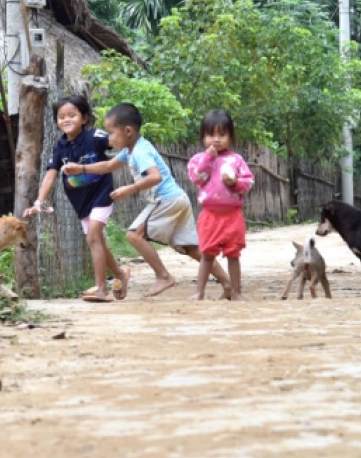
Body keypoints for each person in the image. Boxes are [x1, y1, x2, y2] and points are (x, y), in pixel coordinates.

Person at [64, 103, 232, 298]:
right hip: (178, 199)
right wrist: (82, 169)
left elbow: (155, 177)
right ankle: (227, 284)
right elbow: (109, 165)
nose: (109, 138)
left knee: (134, 235)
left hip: (166, 199)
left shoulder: (140, 151)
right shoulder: (130, 151)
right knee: (191, 248)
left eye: (111, 133)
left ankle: (163, 276)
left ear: (127, 131)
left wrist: (131, 188)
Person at [25, 95, 131, 303]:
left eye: (72, 115)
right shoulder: (60, 147)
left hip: (101, 195)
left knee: (92, 236)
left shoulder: (95, 137)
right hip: (80, 201)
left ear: (84, 118)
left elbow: (119, 141)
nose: (66, 120)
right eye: (61, 116)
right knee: (97, 240)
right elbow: (51, 174)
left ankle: (101, 287)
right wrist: (39, 201)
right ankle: (120, 273)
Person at [187, 110, 253, 301]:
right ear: (203, 137)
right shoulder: (197, 160)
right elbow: (197, 178)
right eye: (211, 135)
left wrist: (235, 184)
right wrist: (208, 158)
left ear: (230, 136)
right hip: (210, 215)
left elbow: (248, 182)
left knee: (233, 255)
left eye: (222, 135)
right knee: (207, 254)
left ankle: (236, 292)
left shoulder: (236, 160)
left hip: (233, 215)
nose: (216, 139)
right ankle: (200, 292)